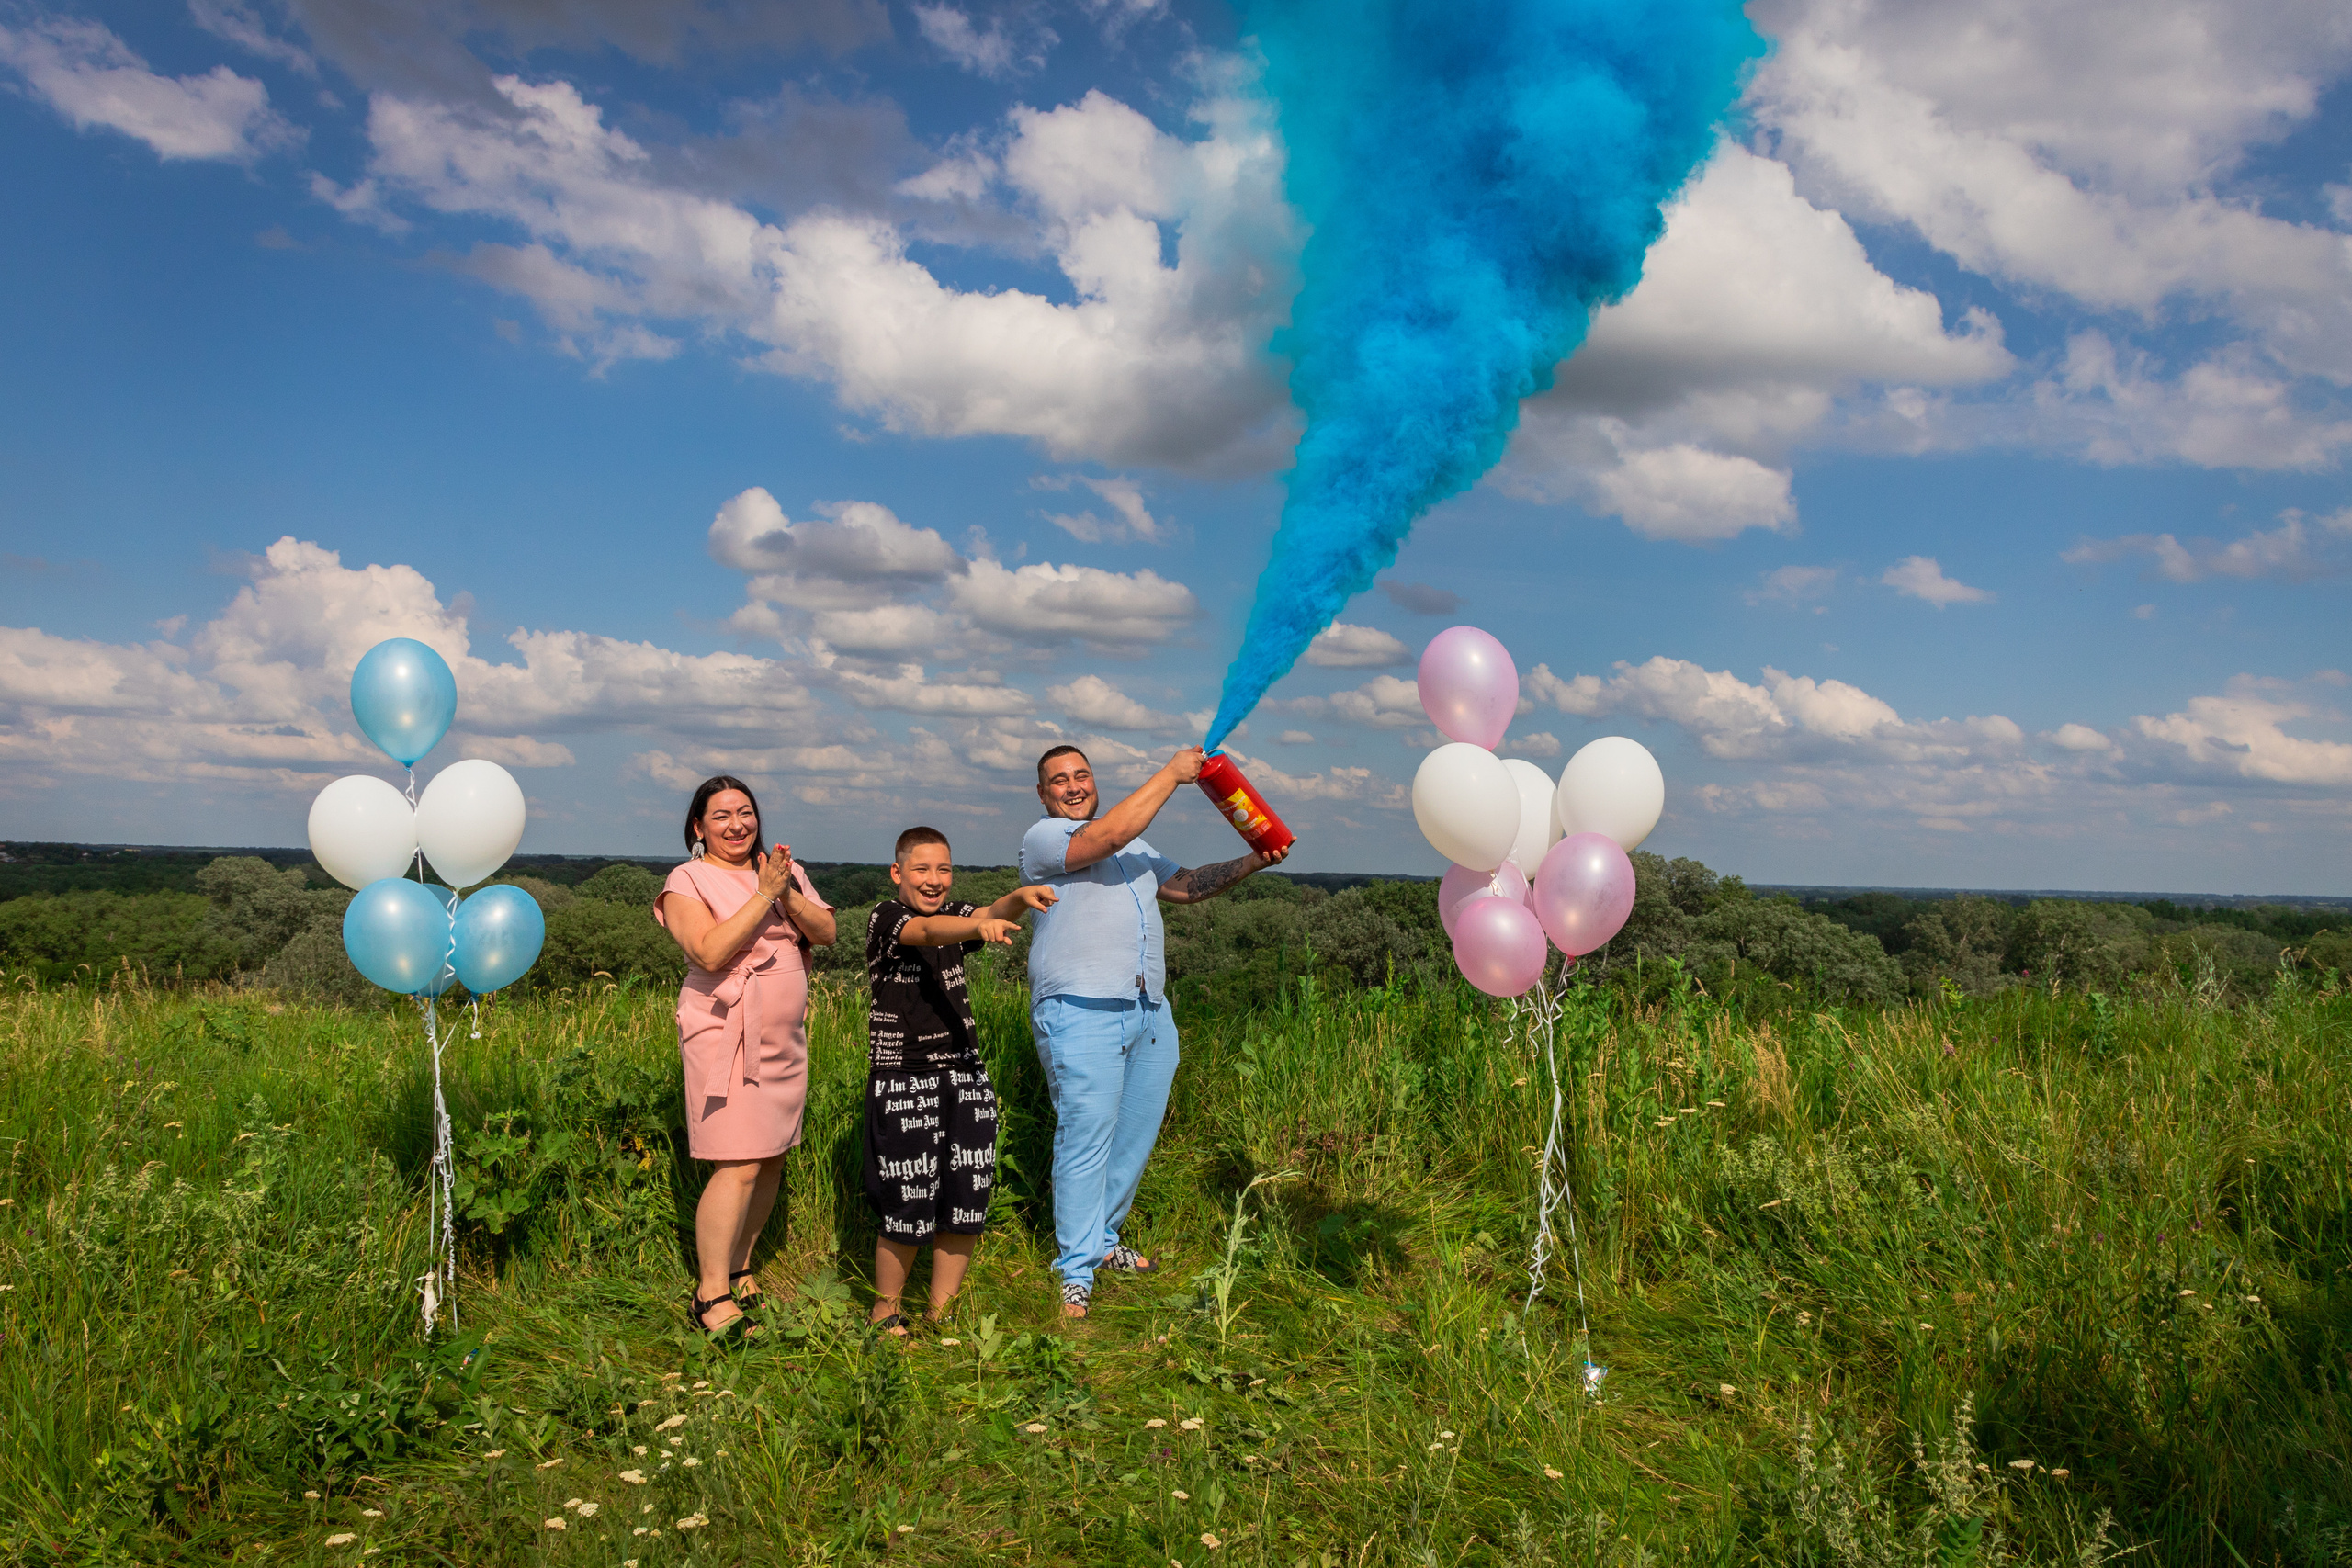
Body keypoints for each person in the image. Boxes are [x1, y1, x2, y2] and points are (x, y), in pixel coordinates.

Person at [1021, 743, 1292, 1316]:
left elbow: (1187, 885)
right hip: (1080, 1006)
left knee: (1132, 1138)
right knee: (1086, 1135)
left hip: (1148, 1010)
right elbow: (1107, 838)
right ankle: (1075, 1270)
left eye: (1082, 775)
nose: (1073, 786)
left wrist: (1253, 860)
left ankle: (1104, 1241)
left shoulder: (1136, 840)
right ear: (1044, 795)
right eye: (1059, 780)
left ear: (1095, 781)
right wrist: (1171, 773)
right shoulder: (1045, 839)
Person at [653, 774, 836, 1339]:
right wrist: (762, 895)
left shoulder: (781, 869)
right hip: (723, 1033)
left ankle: (740, 1266)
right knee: (737, 1161)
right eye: (721, 816)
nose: (737, 824)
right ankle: (710, 1294)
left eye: (746, 812)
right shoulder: (687, 879)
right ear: (698, 827)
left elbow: (827, 931)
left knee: (772, 1156)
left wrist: (783, 890)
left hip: (783, 1041)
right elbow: (708, 950)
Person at [861, 826, 1057, 1334]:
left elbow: (990, 916)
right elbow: (929, 934)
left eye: (943, 869)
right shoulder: (887, 916)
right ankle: (886, 1314)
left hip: (964, 1074)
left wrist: (1017, 897)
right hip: (903, 1076)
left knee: (965, 1196)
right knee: (907, 1200)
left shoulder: (957, 915)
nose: (934, 880)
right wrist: (976, 929)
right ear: (897, 873)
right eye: (921, 869)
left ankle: (939, 1316)